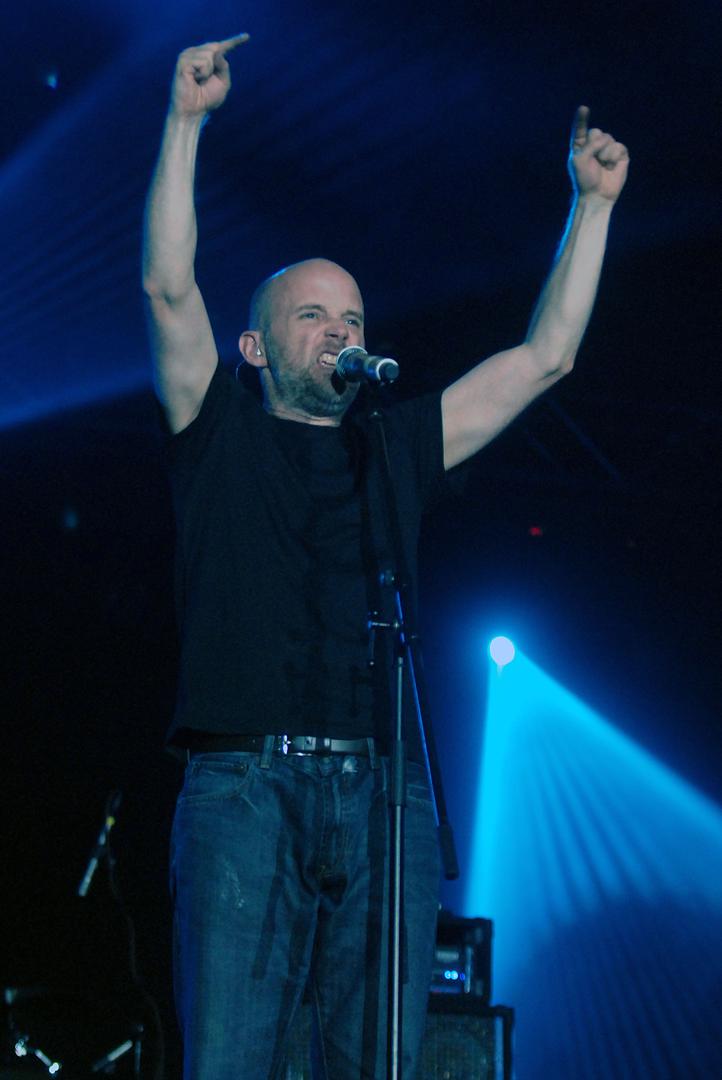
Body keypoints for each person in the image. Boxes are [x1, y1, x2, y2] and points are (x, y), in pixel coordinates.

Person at [142, 33, 628, 1080]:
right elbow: (168, 289)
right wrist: (185, 123)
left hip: (381, 797)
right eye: (312, 315)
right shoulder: (217, 431)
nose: (338, 330)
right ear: (255, 347)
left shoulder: (394, 446)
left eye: (352, 316)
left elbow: (544, 359)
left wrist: (590, 208)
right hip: (244, 791)